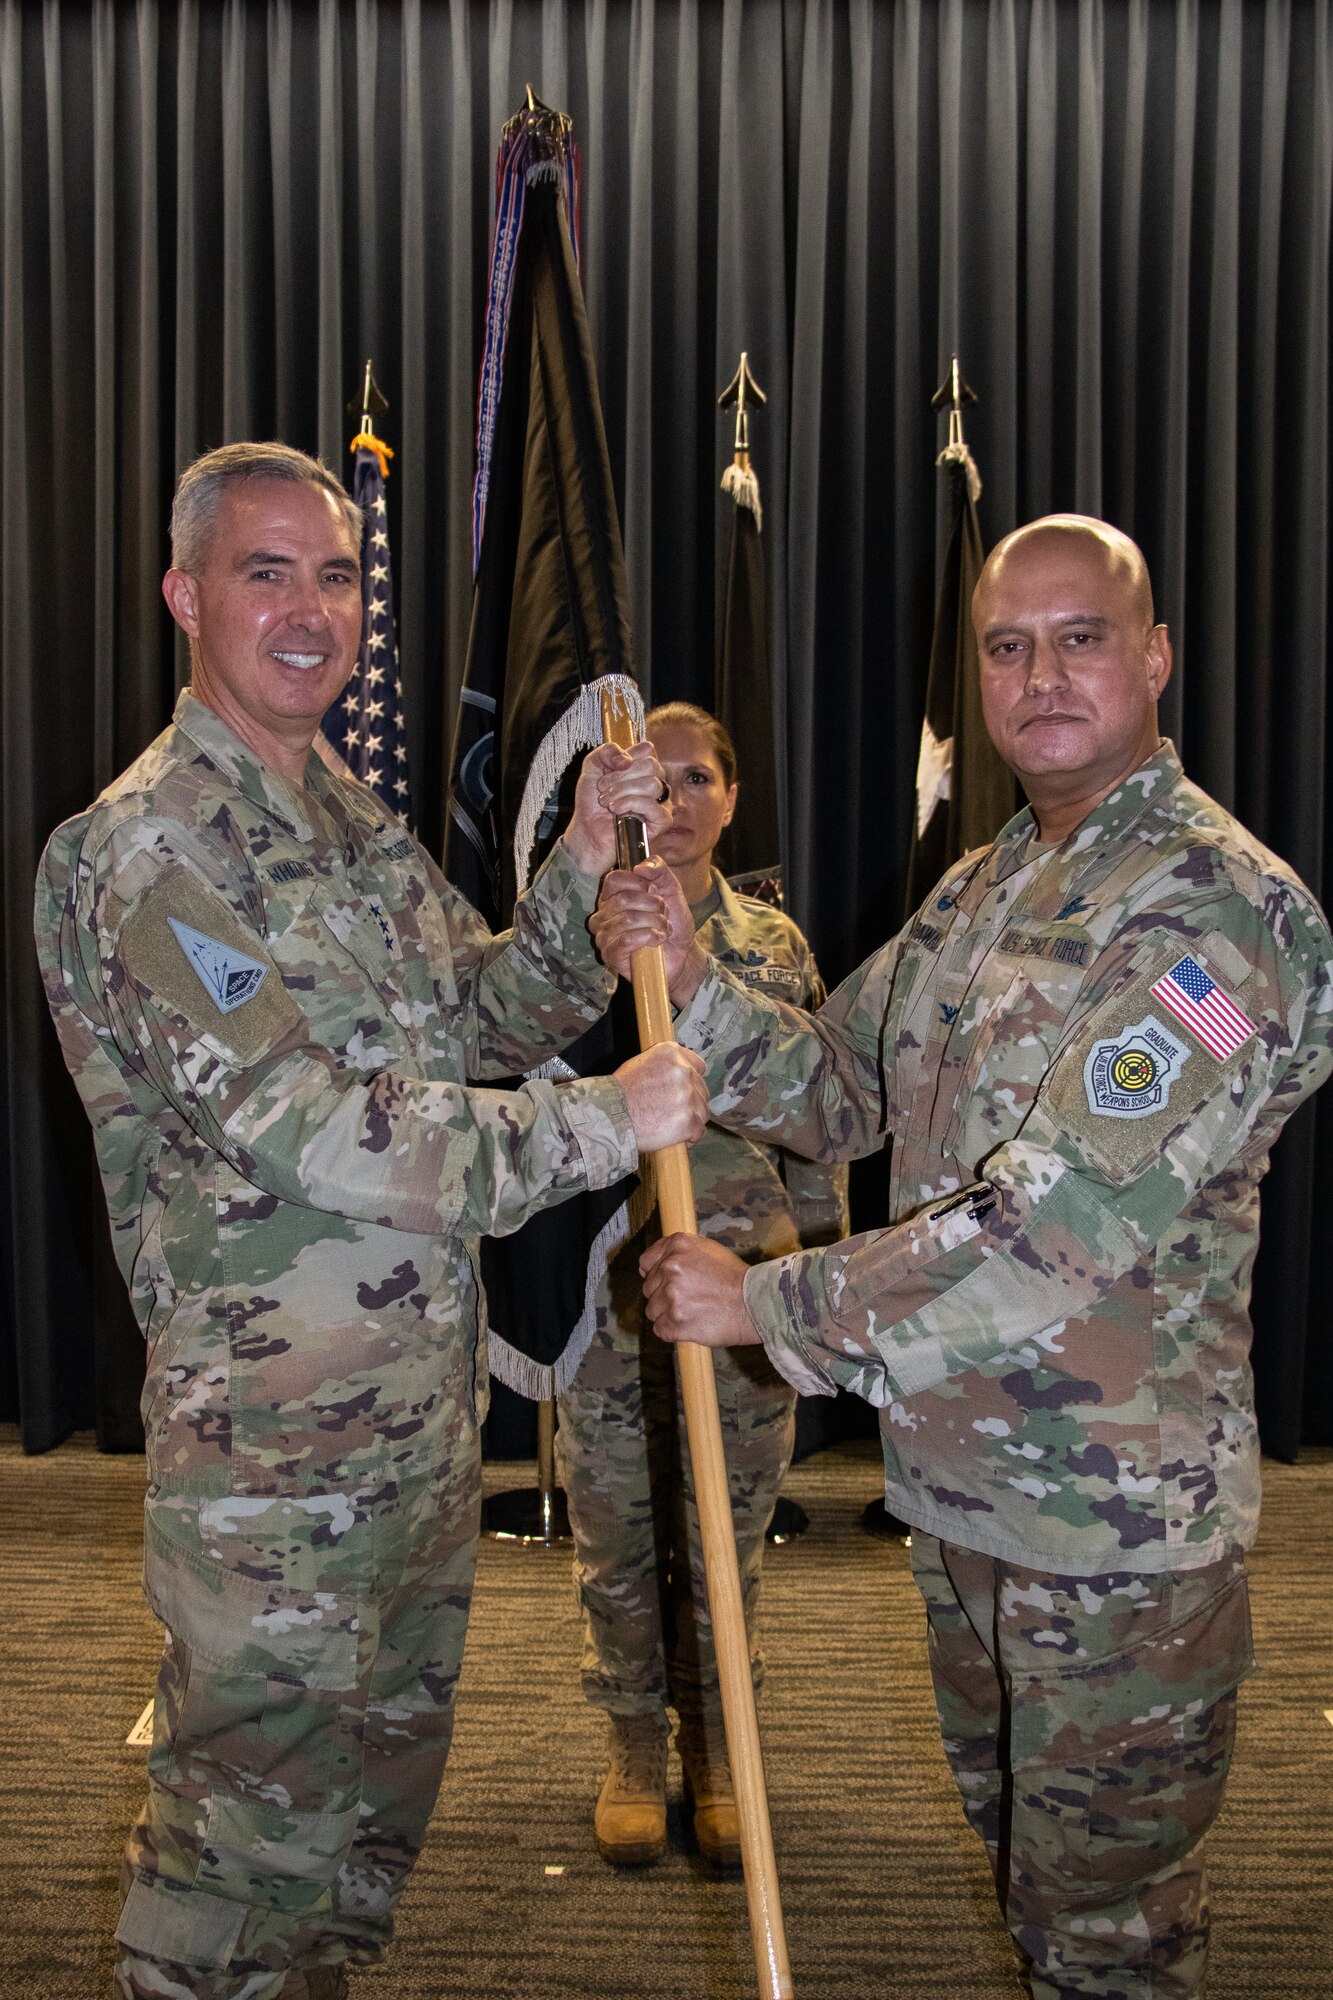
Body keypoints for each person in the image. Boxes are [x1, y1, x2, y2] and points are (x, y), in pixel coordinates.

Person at [594, 516, 1333, 1998]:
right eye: (1006, 646)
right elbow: (835, 1086)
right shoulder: (980, 892)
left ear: (1156, 658)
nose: (1040, 674)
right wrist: (687, 977)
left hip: (1114, 1537)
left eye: (1081, 638)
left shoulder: (1226, 925)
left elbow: (1056, 1226)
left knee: (1110, 1940)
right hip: (966, 1497)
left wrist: (765, 1304)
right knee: (1025, 1894)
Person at [33, 441, 709, 2000]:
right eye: (265, 571)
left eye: (336, 575)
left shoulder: (345, 822)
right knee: (237, 1863)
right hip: (272, 1471)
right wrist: (611, 1120)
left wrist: (582, 900)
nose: (309, 607)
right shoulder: (144, 851)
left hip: (412, 1441)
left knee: (355, 1850)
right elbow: (311, 1124)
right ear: (184, 595)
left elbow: (471, 1012)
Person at [556, 703, 847, 1868]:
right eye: (652, 781)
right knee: (618, 1525)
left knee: (728, 1529)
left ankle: (718, 1746)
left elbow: (821, 1115)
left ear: (730, 796)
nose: (672, 802)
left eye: (697, 778)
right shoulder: (577, 931)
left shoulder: (772, 943)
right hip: (608, 1284)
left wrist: (815, 1278)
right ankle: (632, 1741)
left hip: (738, 1285)